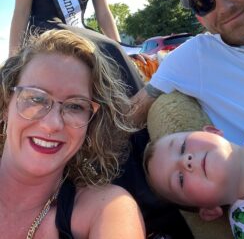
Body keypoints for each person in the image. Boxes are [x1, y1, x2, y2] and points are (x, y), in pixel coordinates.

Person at [0, 29, 145, 238]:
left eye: (75, 106)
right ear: (6, 104)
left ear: (91, 123)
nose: (52, 124)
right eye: (36, 98)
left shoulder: (106, 210)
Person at [131, 0, 244, 146]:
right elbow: (128, 116)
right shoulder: (199, 55)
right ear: (201, 19)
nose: (224, 7)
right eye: (205, 3)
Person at [143, 107, 244, 239]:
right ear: (209, 211)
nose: (185, 161)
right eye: (180, 179)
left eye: (183, 147)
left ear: (212, 131)